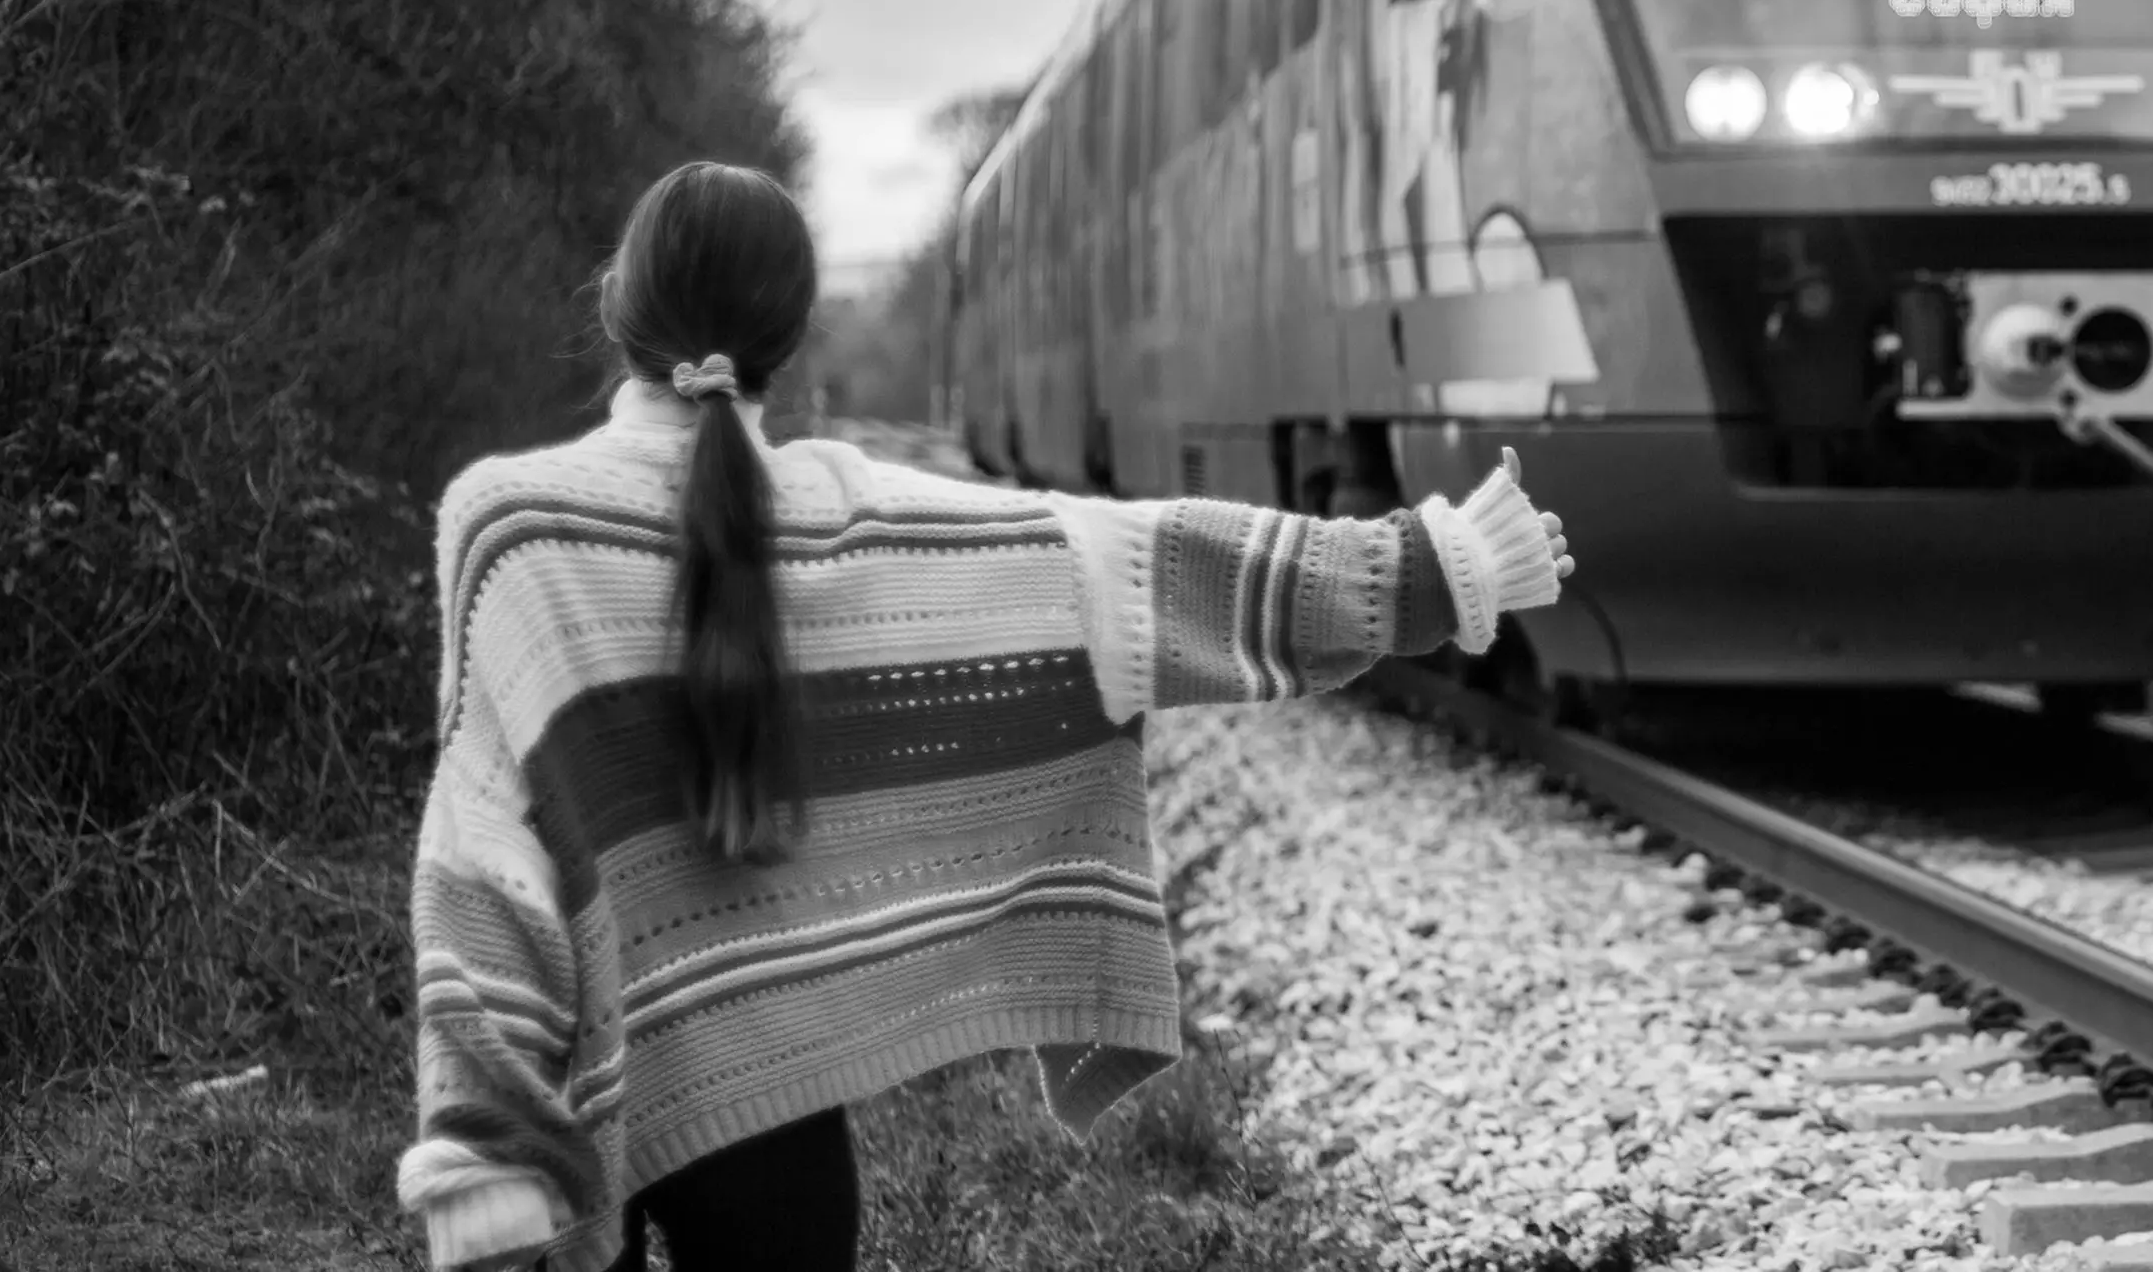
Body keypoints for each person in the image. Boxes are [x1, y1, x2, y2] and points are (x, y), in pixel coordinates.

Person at [393, 162, 1572, 1272]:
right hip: (777, 1111)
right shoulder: (873, 524)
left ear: (617, 302)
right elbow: (1154, 566)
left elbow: (481, 842)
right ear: (791, 344)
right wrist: (1433, 564)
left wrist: (484, 1136)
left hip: (554, 1103)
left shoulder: (511, 529)